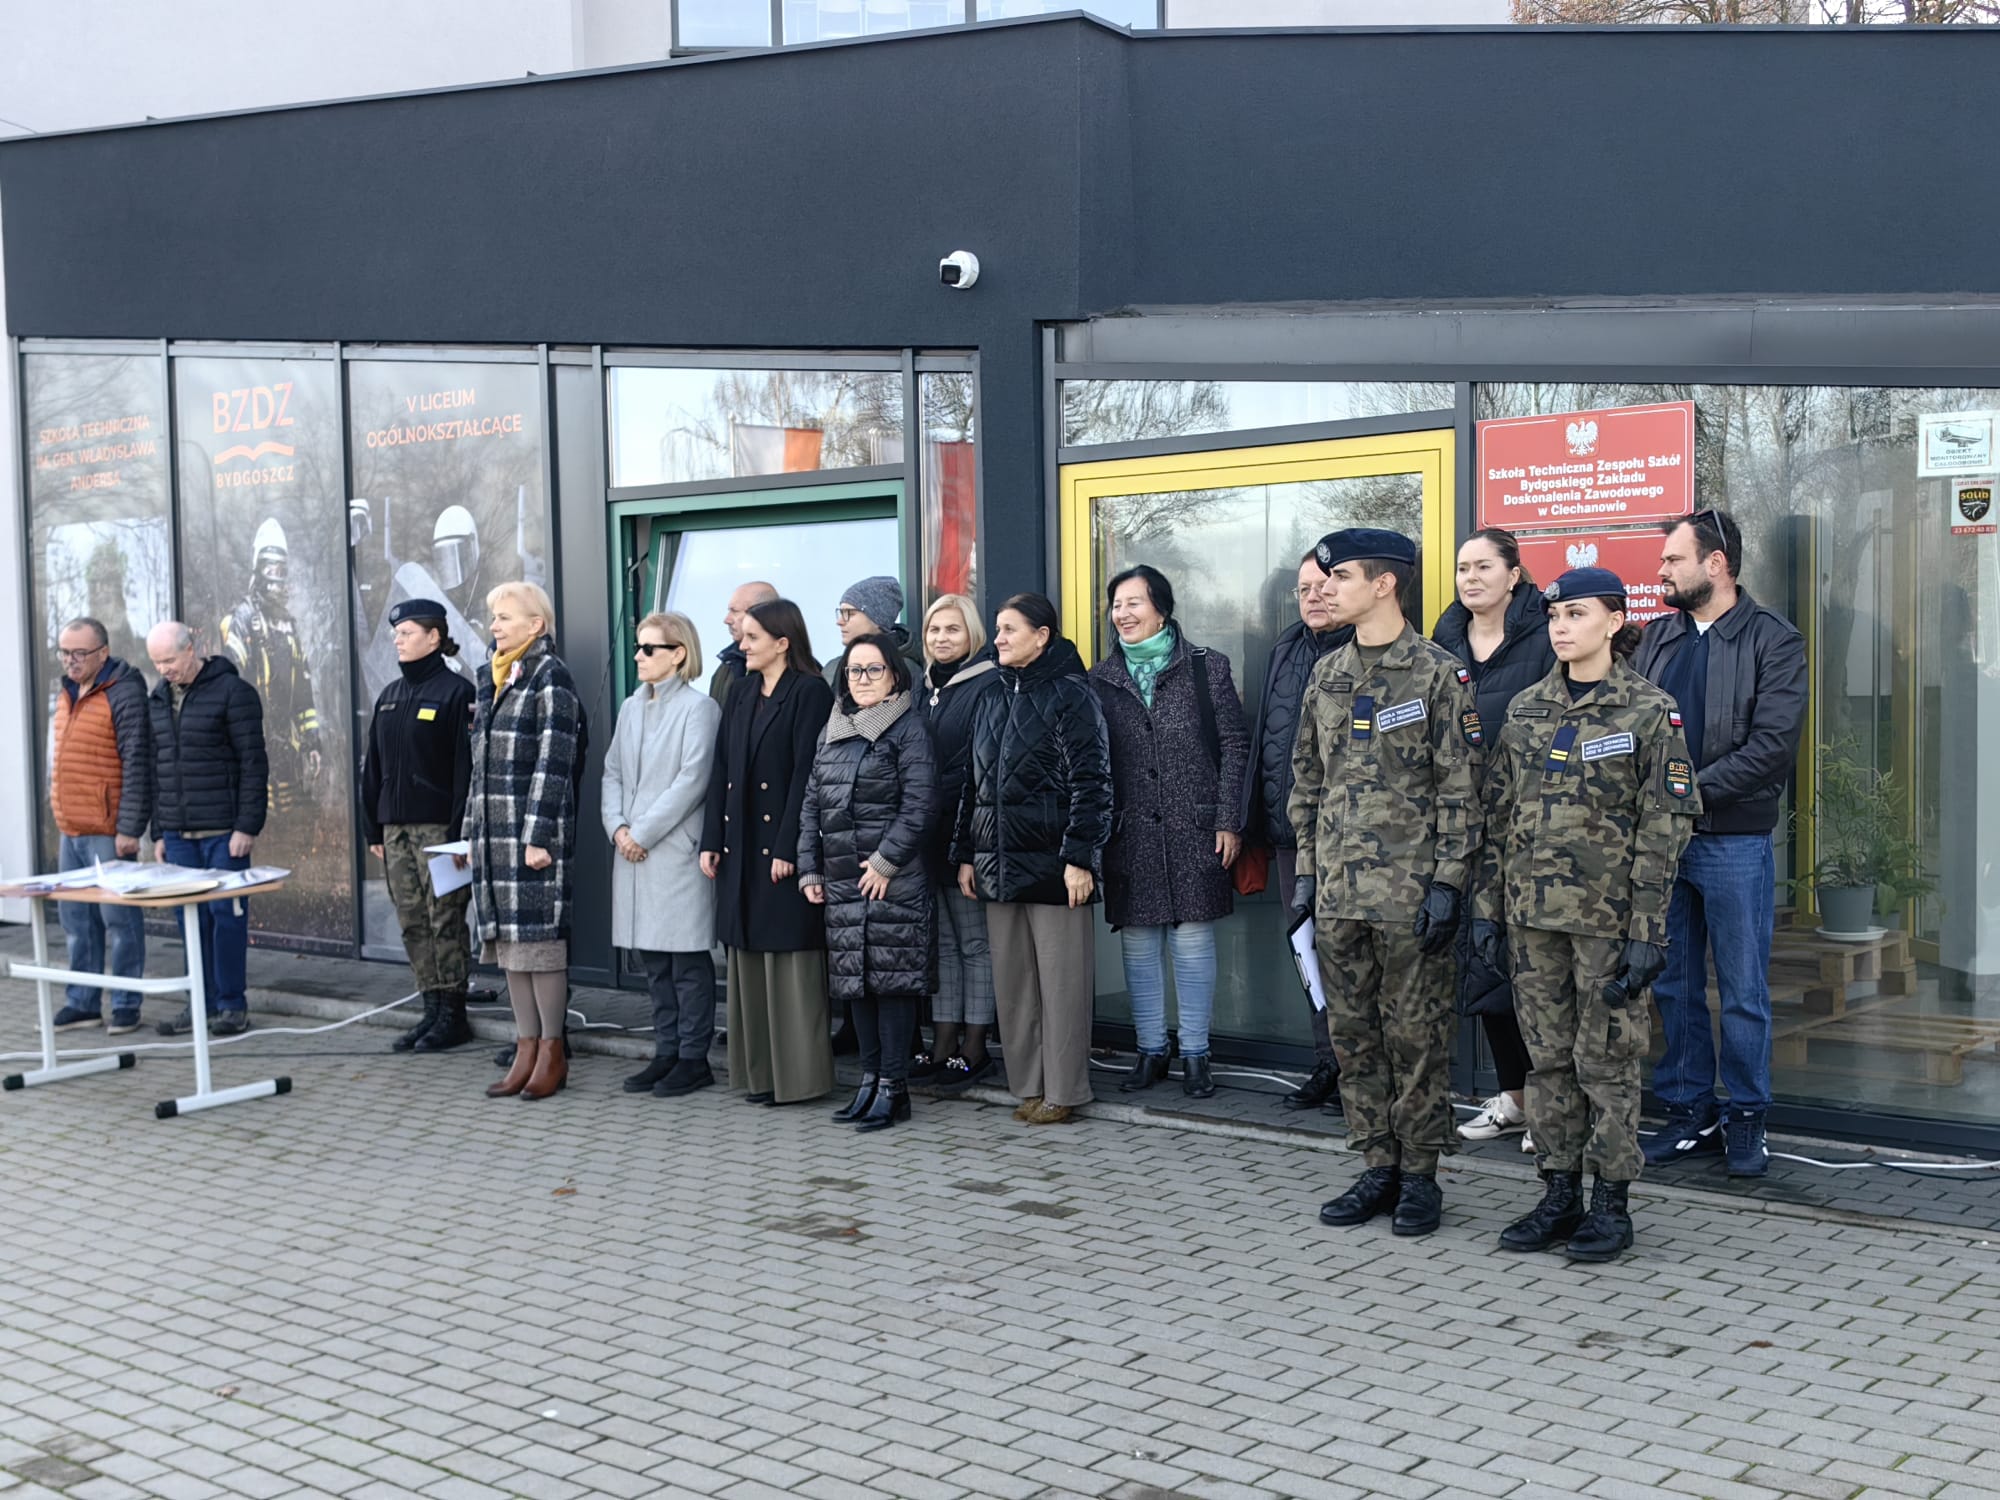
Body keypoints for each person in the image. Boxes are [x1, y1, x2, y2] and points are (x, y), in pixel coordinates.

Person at [1477, 567, 1701, 1262]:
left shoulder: (1648, 712)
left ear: (1614, 620)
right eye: (1554, 616)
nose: (1561, 627)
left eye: (1576, 614)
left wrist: (1647, 930)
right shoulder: (1527, 710)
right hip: (1532, 921)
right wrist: (1487, 911)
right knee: (1547, 1063)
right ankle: (1558, 1194)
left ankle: (1610, 1203)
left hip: (1608, 924)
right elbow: (1497, 817)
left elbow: (1665, 827)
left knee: (1606, 1062)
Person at [1288, 529, 1481, 1238]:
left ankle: (1421, 1174)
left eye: (1340, 576)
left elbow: (1462, 791)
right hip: (1339, 895)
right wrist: (1306, 879)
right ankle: (1378, 1165)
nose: (1325, 589)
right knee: (1353, 1036)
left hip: (1409, 898)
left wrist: (1449, 884)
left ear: (1384, 583)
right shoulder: (1327, 674)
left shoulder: (1437, 675)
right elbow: (1306, 783)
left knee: (1417, 1037)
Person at [1632, 509, 1807, 1178]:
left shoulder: (1774, 640)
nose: (1661, 570)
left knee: (1741, 990)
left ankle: (1747, 1117)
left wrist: (1684, 794)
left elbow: (1771, 748)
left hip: (1733, 841)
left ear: (1716, 564)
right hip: (1662, 844)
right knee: (1674, 986)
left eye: (1673, 559)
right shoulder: (1656, 639)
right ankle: (1689, 1114)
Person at [1088, 564, 1249, 1099]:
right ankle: (1150, 1050)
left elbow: (1235, 746)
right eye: (1116, 605)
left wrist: (1228, 818)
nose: (1123, 614)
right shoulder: (1100, 679)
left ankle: (1197, 1055)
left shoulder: (1207, 667)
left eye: (1134, 602)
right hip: (1129, 831)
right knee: (1138, 943)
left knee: (1193, 940)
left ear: (1161, 608)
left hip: (1195, 827)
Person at [953, 593, 1113, 1126]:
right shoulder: (991, 695)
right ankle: (1027, 1085)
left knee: (1061, 985)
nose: (997, 639)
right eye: (997, 629)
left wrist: (1080, 858)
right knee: (1015, 984)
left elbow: (1094, 782)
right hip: (997, 865)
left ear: (1042, 636)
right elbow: (972, 783)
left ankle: (1063, 1089)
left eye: (1009, 629)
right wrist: (967, 854)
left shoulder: (1072, 694)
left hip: (1055, 866)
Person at [1432, 527, 1556, 1148]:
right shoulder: (1444, 640)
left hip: (1531, 832)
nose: (1470, 578)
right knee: (1484, 970)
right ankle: (1515, 1098)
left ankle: (1555, 1106)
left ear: (1514, 575)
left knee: (1537, 972)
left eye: (1484, 567)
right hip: (1463, 831)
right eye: (1463, 568)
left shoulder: (1545, 637)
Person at [800, 633, 938, 1131]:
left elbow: (921, 804)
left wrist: (885, 862)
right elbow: (811, 803)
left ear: (894, 675)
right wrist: (809, 866)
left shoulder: (908, 727)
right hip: (842, 878)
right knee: (855, 985)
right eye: (854, 670)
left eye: (873, 669)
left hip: (890, 879)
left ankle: (894, 1089)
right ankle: (869, 1080)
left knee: (891, 984)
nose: (861, 679)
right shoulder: (833, 727)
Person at [702, 598, 837, 1105]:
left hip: (782, 849)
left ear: (783, 642)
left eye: (752, 637)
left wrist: (791, 848)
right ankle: (760, 1075)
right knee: (749, 958)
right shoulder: (740, 691)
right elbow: (721, 766)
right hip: (739, 847)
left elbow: (808, 775)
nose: (742, 645)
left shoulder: (810, 692)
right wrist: (711, 839)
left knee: (789, 961)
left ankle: (798, 1080)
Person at [1246, 551, 1352, 1112]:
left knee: (1350, 956)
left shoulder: (1365, 650)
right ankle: (1328, 1062)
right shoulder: (1285, 648)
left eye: (1323, 586)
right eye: (1303, 589)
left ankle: (1361, 1073)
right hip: (1292, 835)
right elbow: (1264, 737)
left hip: (1351, 838)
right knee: (1308, 952)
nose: (1312, 597)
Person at [472, 581, 586, 1102]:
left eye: (505, 617)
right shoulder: (491, 677)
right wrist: (471, 830)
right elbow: (478, 767)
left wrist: (537, 836)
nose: (494, 626)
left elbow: (553, 761)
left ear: (535, 625)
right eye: (494, 617)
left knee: (540, 946)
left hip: (531, 837)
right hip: (493, 836)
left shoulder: (550, 676)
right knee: (510, 949)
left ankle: (551, 1052)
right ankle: (525, 1047)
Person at [603, 611, 723, 1099]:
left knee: (687, 961)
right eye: (638, 646)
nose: (638, 656)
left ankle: (694, 1058)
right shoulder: (631, 708)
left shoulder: (700, 709)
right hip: (633, 851)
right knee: (654, 960)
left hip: (672, 851)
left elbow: (693, 780)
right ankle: (666, 1051)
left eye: (649, 648)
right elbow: (612, 772)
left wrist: (642, 833)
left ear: (678, 654)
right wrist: (617, 828)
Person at [360, 598, 477, 1053]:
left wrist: (460, 832)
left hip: (441, 831)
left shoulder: (456, 693)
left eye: (406, 633)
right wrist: (374, 829)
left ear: (433, 637)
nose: (398, 640)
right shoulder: (390, 695)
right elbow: (373, 767)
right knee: (412, 920)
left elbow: (465, 770)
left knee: (445, 918)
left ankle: (453, 1013)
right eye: (396, 633)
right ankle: (431, 1007)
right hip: (396, 829)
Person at [145, 620, 268, 1038]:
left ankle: (232, 1006)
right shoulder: (158, 699)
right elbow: (157, 769)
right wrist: (159, 832)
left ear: (191, 648)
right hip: (178, 836)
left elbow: (254, 764)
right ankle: (199, 1003)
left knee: (226, 919)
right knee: (189, 920)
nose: (164, 669)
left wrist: (246, 825)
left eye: (169, 659)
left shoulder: (234, 693)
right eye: (157, 662)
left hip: (224, 833)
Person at [47, 617, 152, 1034]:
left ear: (103, 653)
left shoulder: (122, 692)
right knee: (76, 921)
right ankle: (82, 1003)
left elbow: (137, 763)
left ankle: (126, 1003)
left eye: (79, 653)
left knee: (119, 920)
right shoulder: (66, 694)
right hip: (70, 827)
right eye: (64, 652)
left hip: (109, 829)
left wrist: (130, 828)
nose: (70, 661)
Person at [918, 592, 1003, 1090]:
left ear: (972, 633)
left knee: (974, 944)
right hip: (925, 838)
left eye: (952, 629)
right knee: (944, 945)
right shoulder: (923, 686)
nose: (941, 638)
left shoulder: (987, 684)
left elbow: (978, 769)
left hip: (965, 835)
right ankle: (943, 1040)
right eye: (934, 629)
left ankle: (975, 1045)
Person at [220, 518, 323, 817]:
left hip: (286, 745)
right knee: (260, 817)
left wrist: (312, 742)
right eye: (270, 570)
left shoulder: (289, 627)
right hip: (255, 741)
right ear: (258, 570)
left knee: (290, 818)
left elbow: (302, 694)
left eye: (281, 571)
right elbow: (229, 681)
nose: (277, 579)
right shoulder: (243, 620)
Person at [711, 580, 778, 707]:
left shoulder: (795, 672)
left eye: (735, 611)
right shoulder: (728, 664)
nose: (727, 620)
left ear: (762, 613)